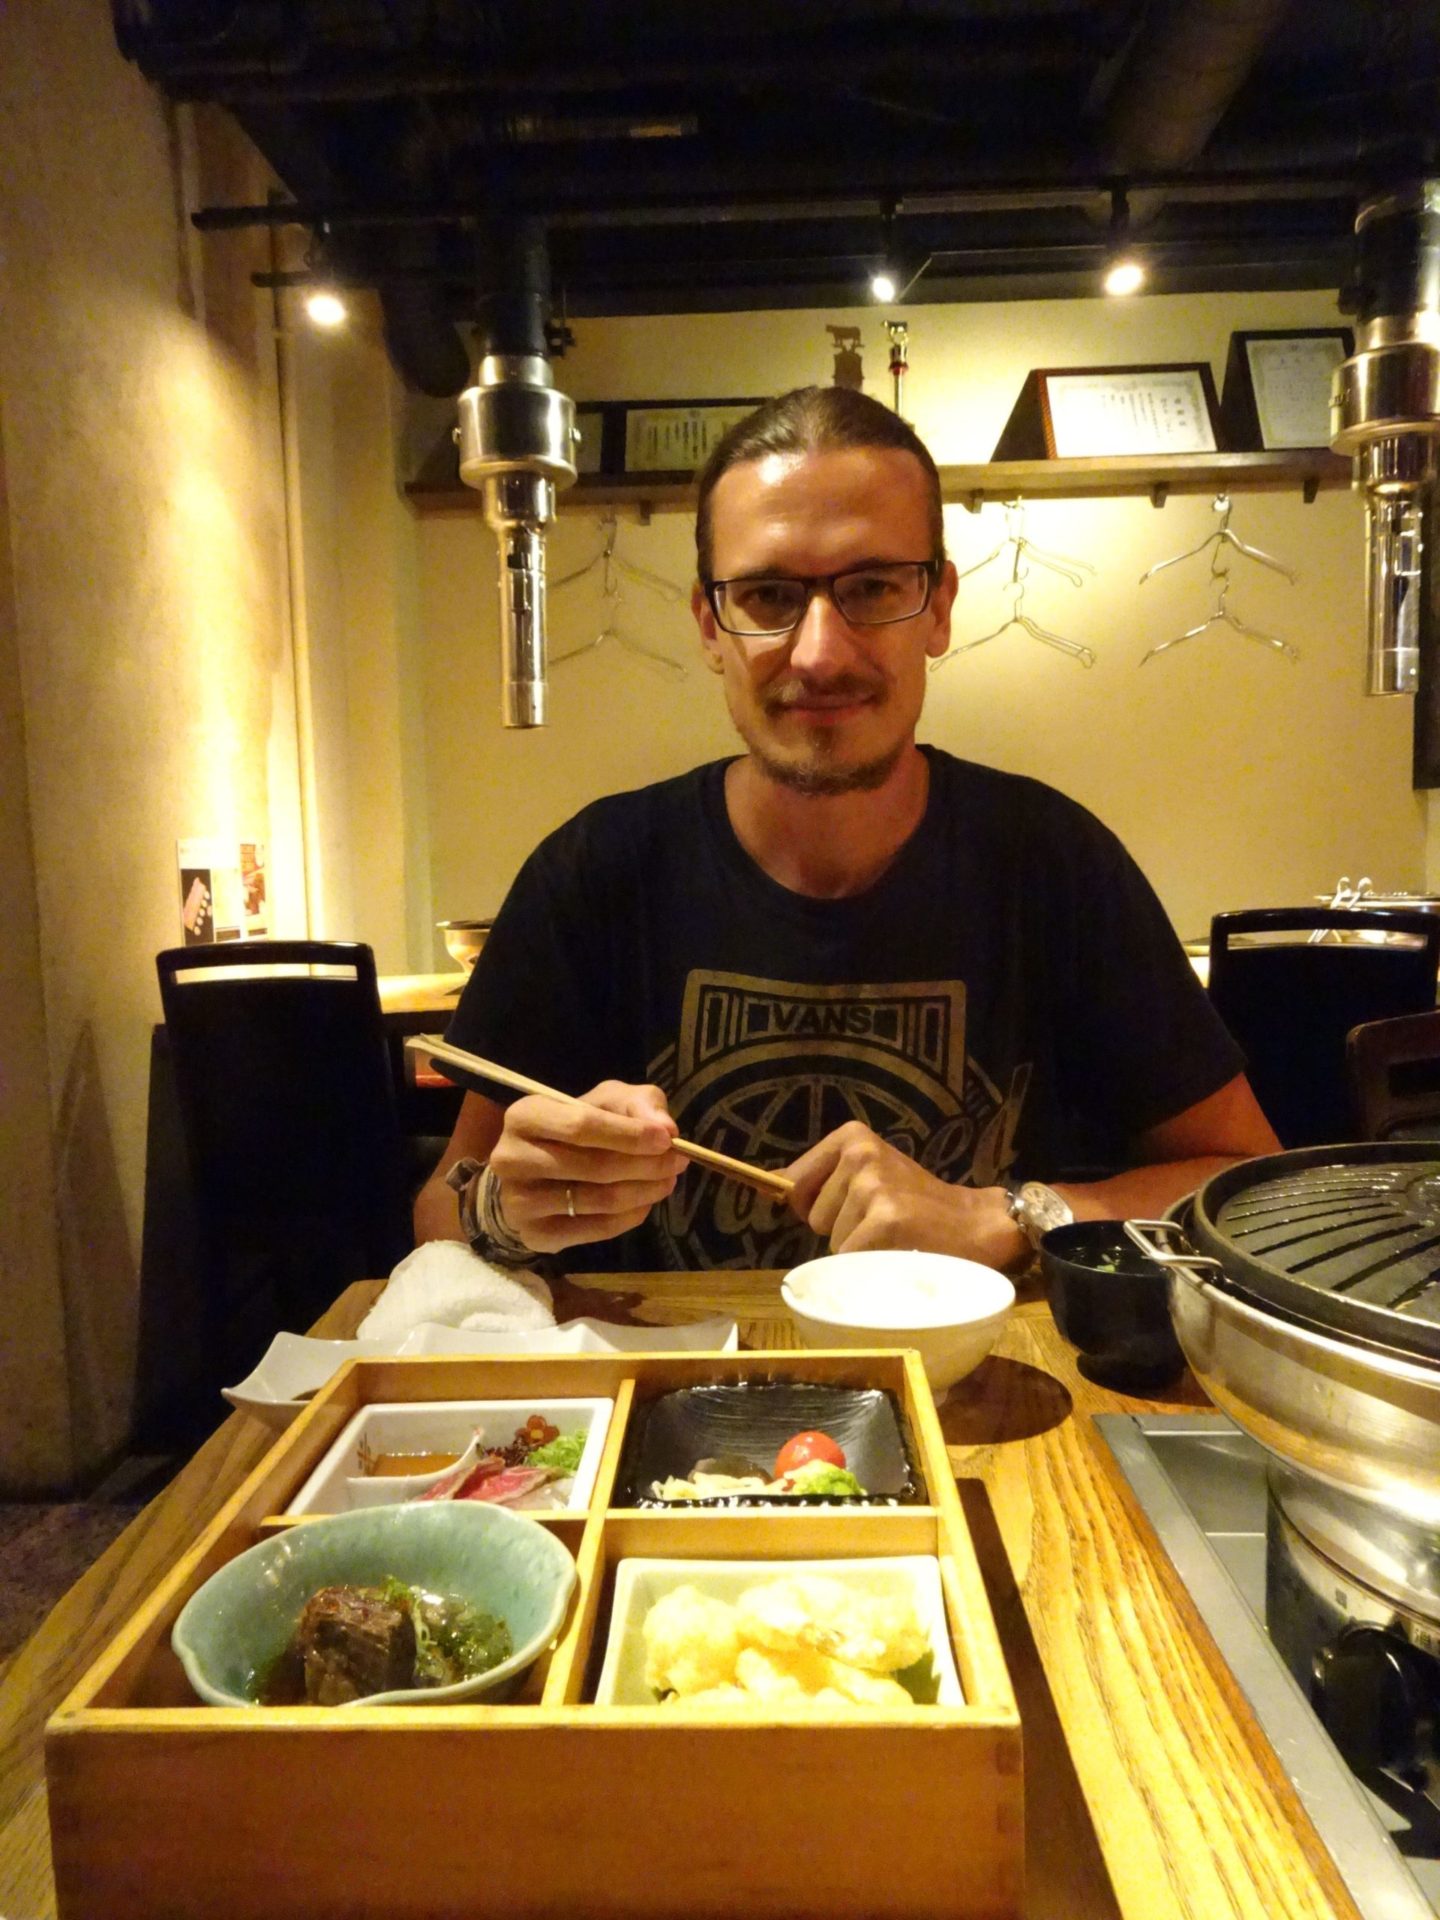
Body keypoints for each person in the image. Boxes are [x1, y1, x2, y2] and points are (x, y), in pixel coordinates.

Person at [414, 385, 1278, 1277]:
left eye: (872, 588)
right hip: (670, 1395)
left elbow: (1247, 1181)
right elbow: (442, 1211)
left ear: (939, 606)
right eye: (768, 594)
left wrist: (1012, 1217)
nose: (820, 653)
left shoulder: (1052, 862)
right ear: (711, 625)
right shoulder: (593, 873)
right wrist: (502, 1212)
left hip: (981, 1400)